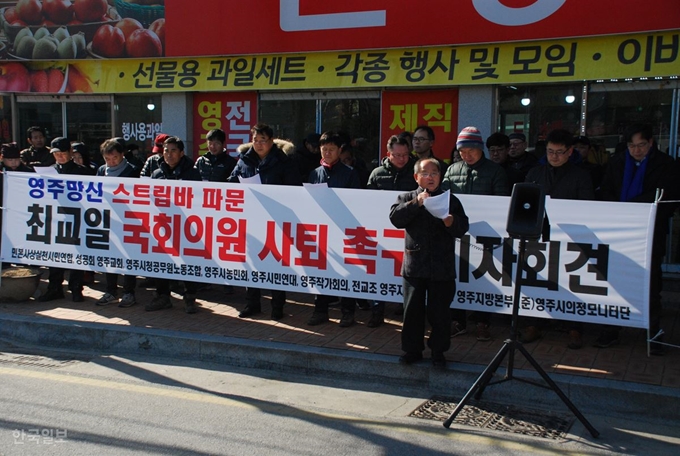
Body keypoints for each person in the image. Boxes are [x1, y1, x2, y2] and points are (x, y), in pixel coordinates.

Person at [597, 123, 679, 354]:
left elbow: (666, 197)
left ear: (651, 143)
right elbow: (606, 190)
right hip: (618, 232)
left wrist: (633, 211)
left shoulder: (665, 164)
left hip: (650, 233)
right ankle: (611, 330)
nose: (637, 150)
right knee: (613, 282)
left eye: (641, 145)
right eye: (632, 146)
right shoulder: (617, 162)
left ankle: (653, 332)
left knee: (650, 285)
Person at [389, 157, 469, 368]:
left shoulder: (450, 199)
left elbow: (462, 227)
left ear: (440, 176)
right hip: (415, 265)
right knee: (412, 311)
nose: (430, 177)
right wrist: (417, 203)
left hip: (442, 265)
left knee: (440, 313)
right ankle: (412, 350)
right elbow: (395, 219)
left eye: (434, 173)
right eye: (425, 173)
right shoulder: (407, 197)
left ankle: (438, 352)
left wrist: (450, 221)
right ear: (416, 177)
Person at [524, 129, 595, 348]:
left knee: (570, 281)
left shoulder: (581, 175)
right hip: (540, 234)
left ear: (570, 152)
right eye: (550, 151)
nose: (554, 156)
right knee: (537, 279)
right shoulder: (535, 173)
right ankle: (534, 322)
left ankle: (574, 328)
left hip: (569, 235)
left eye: (560, 152)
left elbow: (587, 205)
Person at [441, 126, 509, 341]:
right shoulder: (452, 170)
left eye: (471, 150)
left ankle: (483, 322)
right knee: (457, 276)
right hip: (457, 232)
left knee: (483, 276)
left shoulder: (496, 171)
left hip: (485, 234)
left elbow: (502, 202)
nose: (466, 155)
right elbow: (443, 197)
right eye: (462, 151)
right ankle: (457, 320)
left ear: (481, 149)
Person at [228, 123, 301, 320]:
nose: (259, 144)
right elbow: (231, 183)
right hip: (251, 221)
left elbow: (294, 189)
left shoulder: (283, 161)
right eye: (255, 140)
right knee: (251, 263)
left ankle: (278, 306)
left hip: (277, 221)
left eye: (263, 140)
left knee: (278, 264)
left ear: (271, 141)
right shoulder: (244, 160)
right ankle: (252, 303)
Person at [306, 131, 362, 327]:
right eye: (324, 149)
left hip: (343, 230)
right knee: (320, 271)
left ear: (340, 150)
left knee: (347, 271)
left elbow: (355, 203)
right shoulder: (315, 173)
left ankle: (348, 312)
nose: (327, 153)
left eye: (331, 149)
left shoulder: (350, 173)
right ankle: (320, 310)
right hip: (321, 231)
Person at [364, 135, 418, 326]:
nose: (402, 159)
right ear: (389, 154)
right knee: (380, 269)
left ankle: (406, 310)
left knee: (406, 271)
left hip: (409, 230)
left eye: (405, 154)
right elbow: (366, 200)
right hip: (381, 229)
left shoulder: (417, 171)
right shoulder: (377, 173)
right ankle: (377, 310)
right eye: (397, 155)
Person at [146, 136, 203, 314]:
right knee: (161, 261)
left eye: (173, 151)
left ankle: (190, 297)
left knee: (187, 262)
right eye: (165, 151)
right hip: (162, 226)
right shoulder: (157, 174)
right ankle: (163, 296)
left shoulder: (192, 174)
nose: (168, 155)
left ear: (181, 153)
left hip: (186, 226)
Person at [38, 137, 92, 303]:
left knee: (76, 254)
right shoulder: (48, 171)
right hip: (54, 218)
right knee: (55, 254)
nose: (60, 157)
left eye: (63, 153)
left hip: (76, 218)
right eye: (56, 154)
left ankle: (76, 288)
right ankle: (54, 288)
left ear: (70, 153)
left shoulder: (83, 171)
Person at [95, 139, 140, 308]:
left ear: (122, 155)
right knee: (109, 256)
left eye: (114, 158)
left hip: (128, 220)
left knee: (128, 256)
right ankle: (111, 291)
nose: (111, 162)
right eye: (107, 159)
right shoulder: (101, 170)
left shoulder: (133, 171)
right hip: (107, 219)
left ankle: (129, 292)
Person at [1, 142, 34, 268]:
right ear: (2, 159)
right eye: (10, 160)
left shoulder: (27, 172)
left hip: (21, 213)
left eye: (16, 159)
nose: (14, 163)